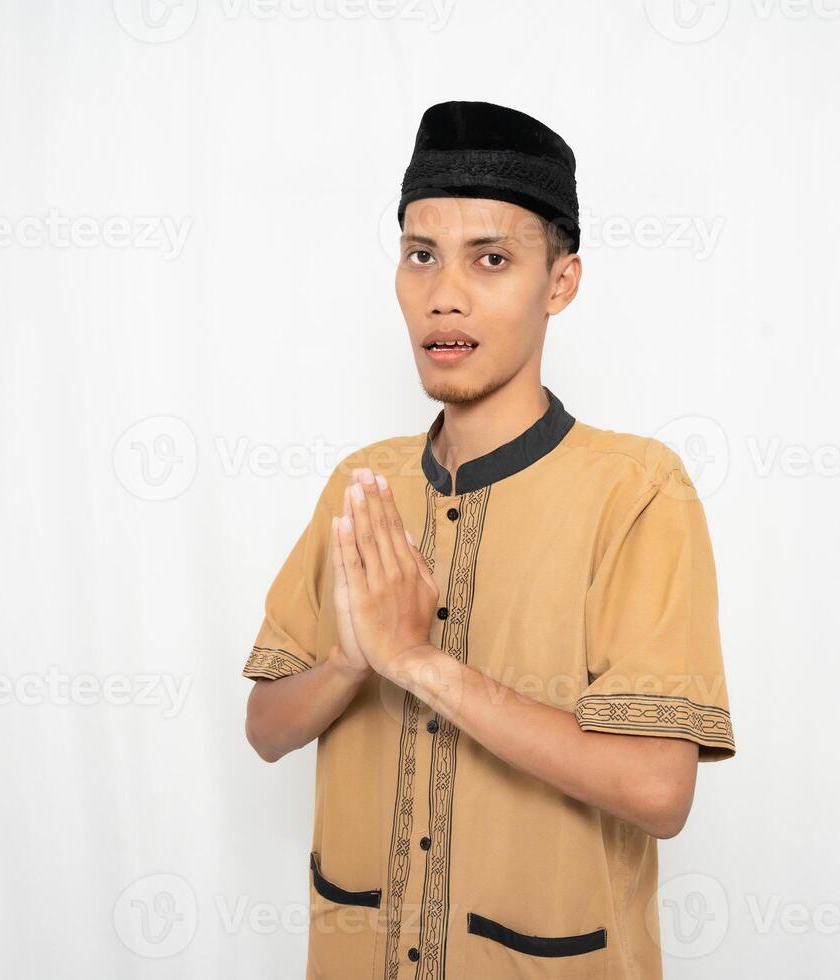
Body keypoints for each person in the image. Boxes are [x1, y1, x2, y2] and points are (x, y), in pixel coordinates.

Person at [243, 100, 735, 980]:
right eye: (420, 255)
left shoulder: (635, 491)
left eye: (492, 260)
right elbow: (266, 726)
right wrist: (353, 662)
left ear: (561, 283)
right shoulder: (364, 486)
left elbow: (660, 792)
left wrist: (421, 663)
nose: (445, 294)